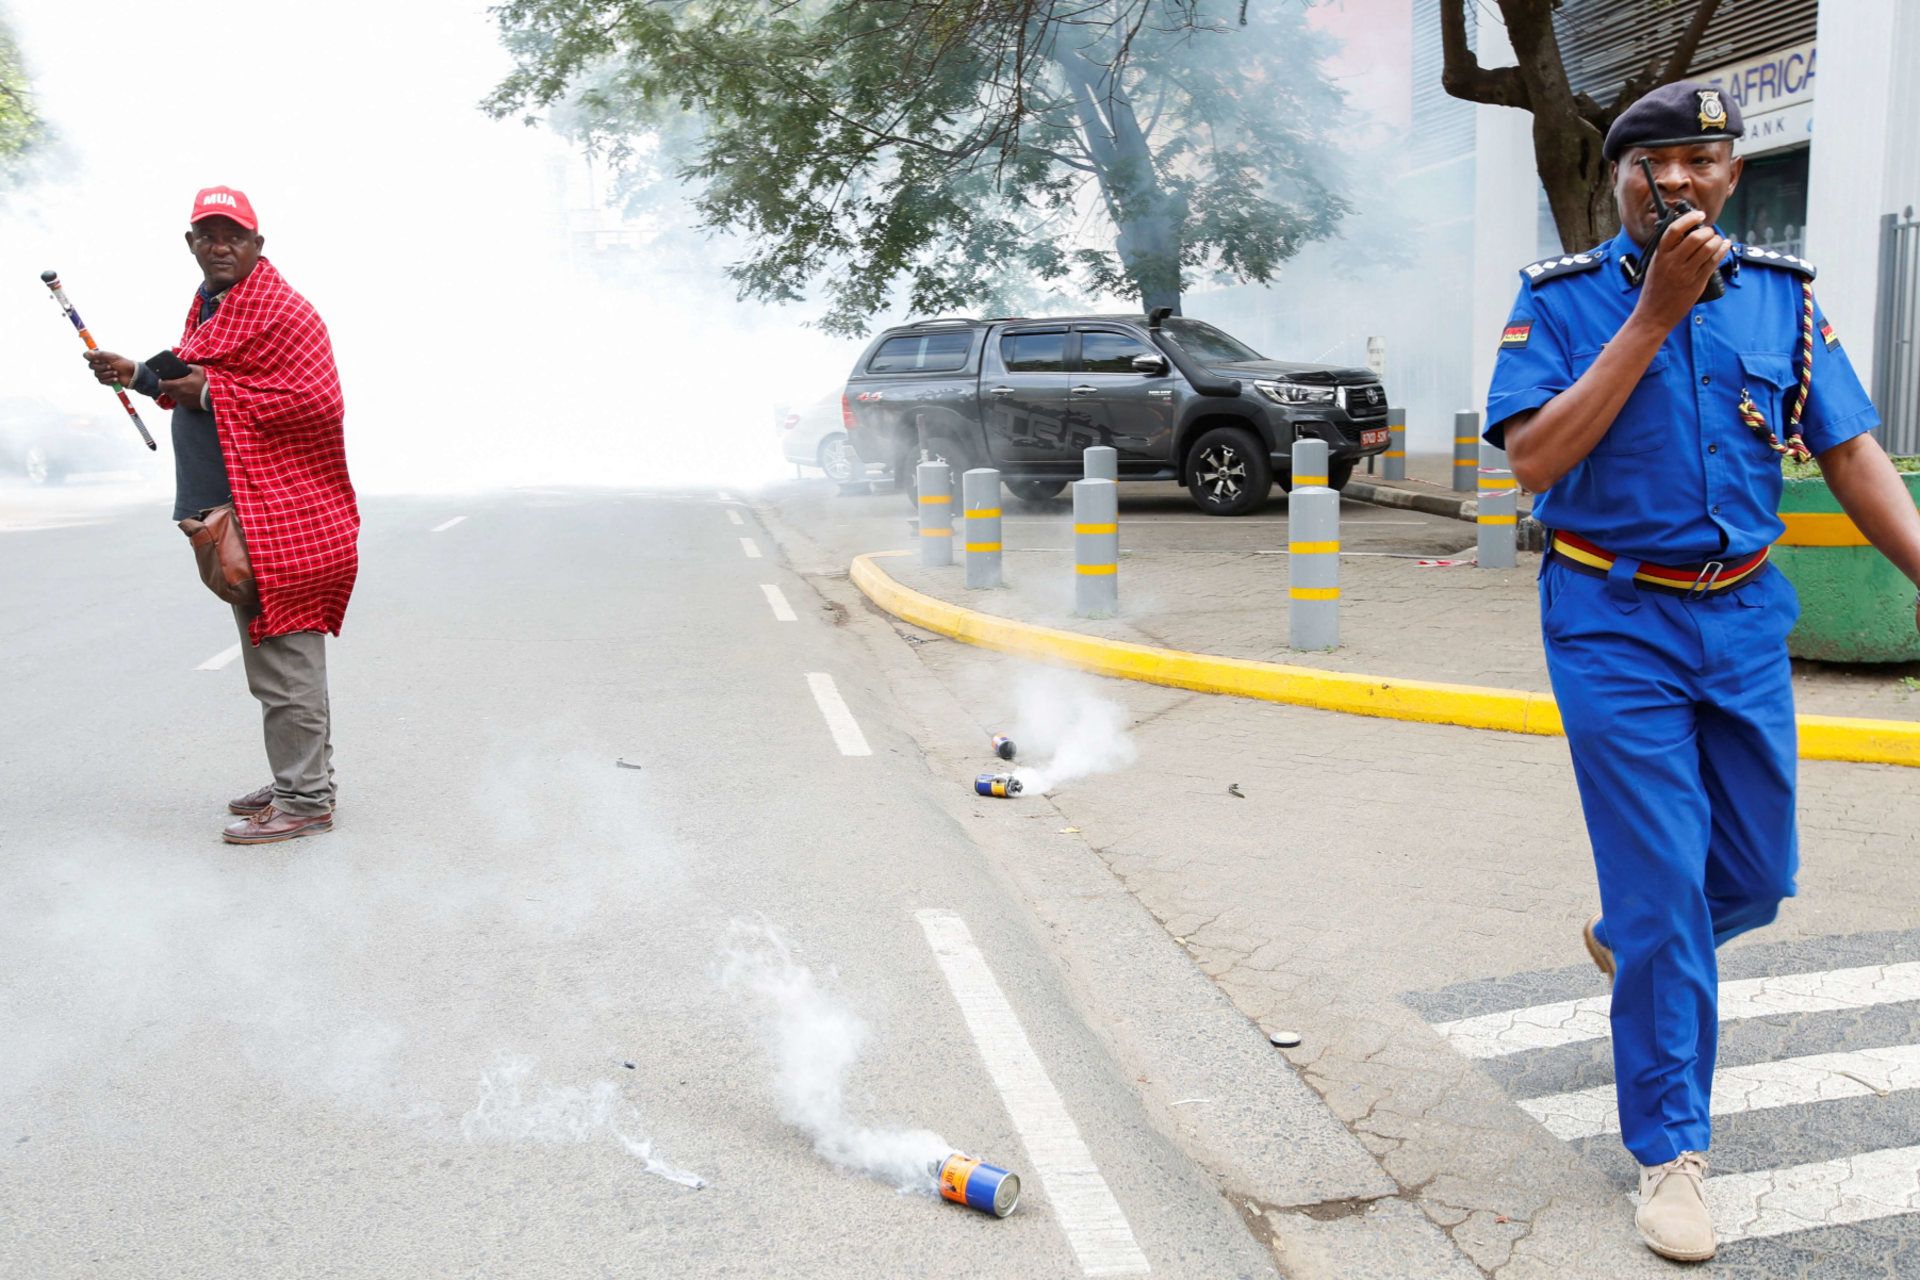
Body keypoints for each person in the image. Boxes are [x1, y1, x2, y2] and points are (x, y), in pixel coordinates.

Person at [1486, 83, 1920, 1262]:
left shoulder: (1781, 298)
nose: (1677, 180)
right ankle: (1672, 1152)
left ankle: (1632, 935)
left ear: (1732, 174)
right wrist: (1652, 318)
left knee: (1758, 876)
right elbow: (1532, 459)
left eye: (1703, 158)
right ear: (1618, 175)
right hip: (1612, 618)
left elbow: (1851, 450)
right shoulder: (1563, 302)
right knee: (1671, 889)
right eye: (1653, 160)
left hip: (1740, 618)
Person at [86, 186, 357, 846]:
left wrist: (204, 387)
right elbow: (199, 384)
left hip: (280, 514)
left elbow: (317, 404)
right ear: (190, 244)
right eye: (207, 234)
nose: (219, 245)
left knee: (284, 656)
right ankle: (302, 776)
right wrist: (140, 377)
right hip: (234, 512)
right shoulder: (215, 308)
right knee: (274, 652)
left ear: (258, 246)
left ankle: (306, 799)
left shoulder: (283, 312)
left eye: (233, 235)